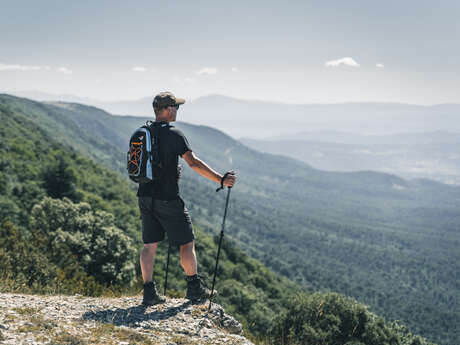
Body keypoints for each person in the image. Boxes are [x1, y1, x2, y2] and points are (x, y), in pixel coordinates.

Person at [138, 91, 236, 306]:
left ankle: (148, 293)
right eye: (176, 107)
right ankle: (194, 288)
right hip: (168, 198)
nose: (177, 111)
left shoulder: (143, 132)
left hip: (144, 196)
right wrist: (220, 179)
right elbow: (193, 163)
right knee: (186, 242)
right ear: (167, 109)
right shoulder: (174, 134)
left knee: (149, 246)